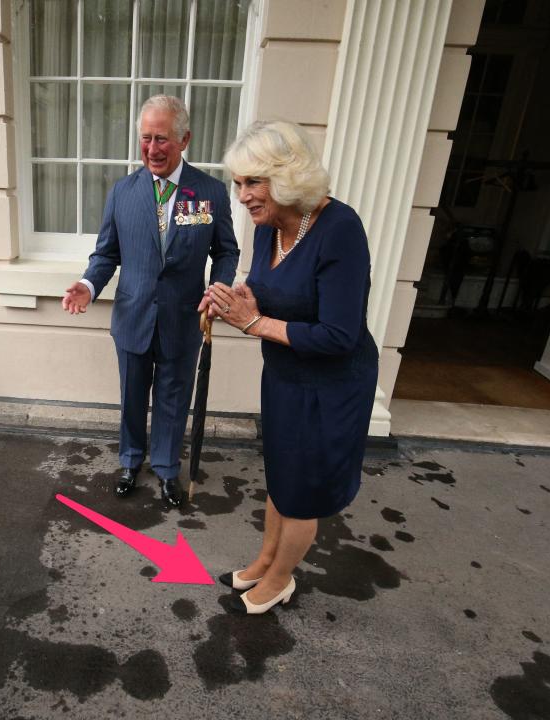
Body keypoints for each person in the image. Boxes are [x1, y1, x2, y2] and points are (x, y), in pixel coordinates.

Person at [205, 120, 379, 614]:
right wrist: (236, 298)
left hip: (332, 384)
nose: (242, 196)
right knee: (282, 475)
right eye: (238, 183)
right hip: (285, 375)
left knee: (302, 489)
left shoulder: (340, 229)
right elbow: (274, 293)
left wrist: (254, 322)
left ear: (287, 177)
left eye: (252, 182)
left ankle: (280, 579)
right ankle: (263, 562)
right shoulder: (269, 227)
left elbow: (339, 335)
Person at [63, 95, 239, 508]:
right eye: (145, 139)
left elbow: (226, 251)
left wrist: (219, 287)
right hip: (133, 314)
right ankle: (130, 460)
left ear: (184, 140)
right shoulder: (123, 192)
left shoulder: (209, 192)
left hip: (184, 317)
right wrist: (89, 286)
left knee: (174, 398)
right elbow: (107, 253)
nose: (152, 149)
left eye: (162, 139)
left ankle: (165, 469)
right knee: (132, 397)